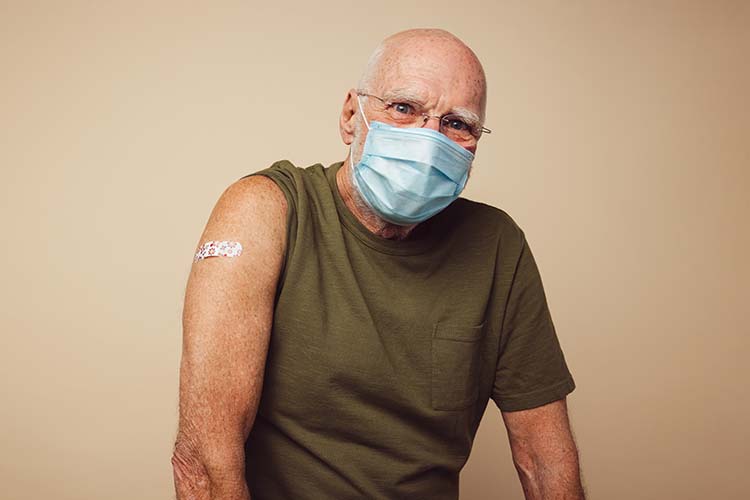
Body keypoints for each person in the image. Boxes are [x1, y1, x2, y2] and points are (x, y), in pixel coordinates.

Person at [172, 28, 585, 500]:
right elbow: (204, 462)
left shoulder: (497, 247)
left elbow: (544, 461)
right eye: (404, 109)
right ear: (352, 115)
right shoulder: (266, 211)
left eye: (457, 124)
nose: (430, 142)